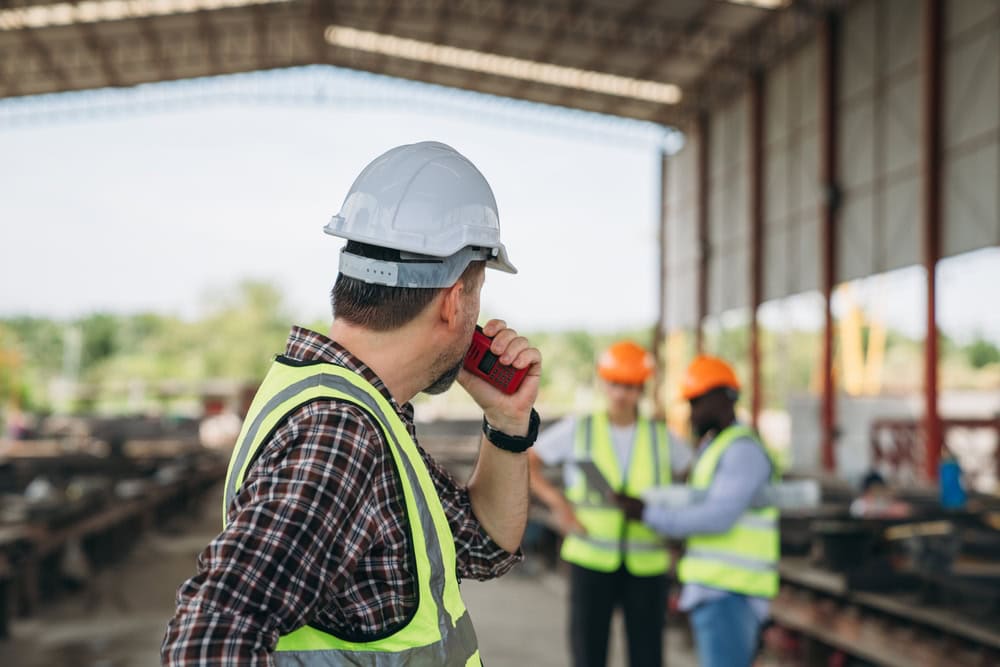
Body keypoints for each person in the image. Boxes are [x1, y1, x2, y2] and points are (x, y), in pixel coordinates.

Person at [162, 141, 543, 666]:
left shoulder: (361, 407)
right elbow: (207, 642)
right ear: (455, 301)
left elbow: (483, 546)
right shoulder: (339, 431)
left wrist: (507, 422)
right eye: (477, 294)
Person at [528, 341, 691, 667]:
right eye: (615, 384)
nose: (621, 393)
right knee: (589, 653)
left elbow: (692, 479)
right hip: (591, 556)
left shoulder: (662, 437)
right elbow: (529, 463)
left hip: (647, 562)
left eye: (630, 386)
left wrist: (675, 525)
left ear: (641, 389)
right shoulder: (580, 429)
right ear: (604, 383)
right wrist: (558, 503)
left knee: (647, 656)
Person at [614, 355, 778, 667]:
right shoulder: (716, 447)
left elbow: (718, 517)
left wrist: (649, 515)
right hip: (717, 590)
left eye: (696, 402)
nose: (692, 412)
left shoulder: (741, 450)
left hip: (731, 592)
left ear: (721, 399)